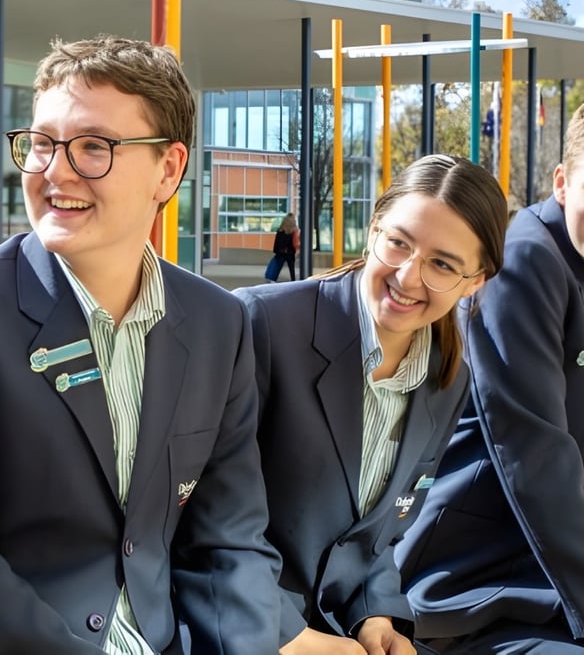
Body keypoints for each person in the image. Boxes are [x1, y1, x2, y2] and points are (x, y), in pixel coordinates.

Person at [0, 35, 282, 654]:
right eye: (40, 145)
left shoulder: (219, 323)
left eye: (93, 147)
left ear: (169, 169)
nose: (54, 172)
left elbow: (230, 538)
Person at [232, 154, 509, 654]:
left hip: (340, 630)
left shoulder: (448, 381)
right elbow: (205, 515)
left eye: (442, 264)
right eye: (399, 243)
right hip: (241, 624)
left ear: (476, 281)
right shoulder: (263, 324)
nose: (407, 276)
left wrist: (377, 612)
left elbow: (376, 536)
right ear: (374, 227)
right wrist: (287, 636)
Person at [394, 106, 584, 653]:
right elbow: (533, 451)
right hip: (480, 575)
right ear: (561, 184)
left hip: (546, 564)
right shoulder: (527, 263)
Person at [265, 212, 300, 282]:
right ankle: (293, 280)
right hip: (290, 253)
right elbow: (295, 243)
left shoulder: (280, 230)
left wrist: (277, 251)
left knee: (277, 266)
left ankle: (272, 278)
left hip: (281, 253)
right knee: (291, 268)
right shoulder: (294, 231)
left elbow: (277, 243)